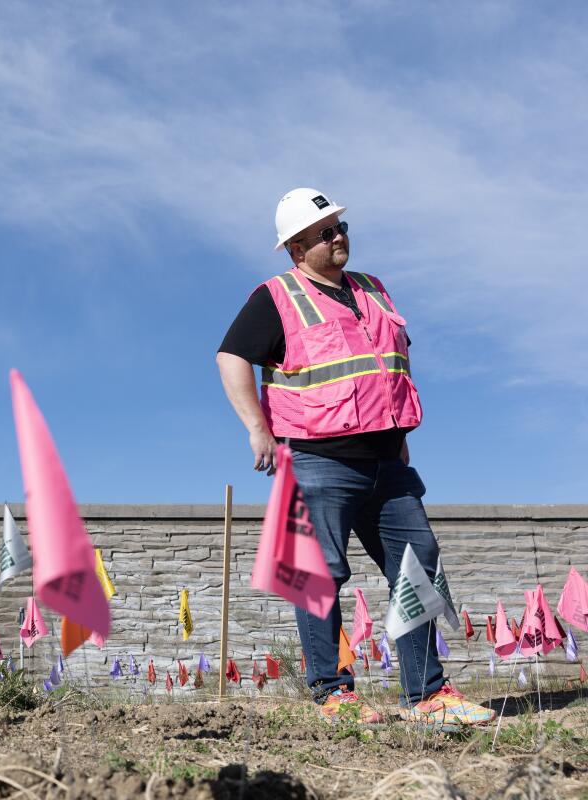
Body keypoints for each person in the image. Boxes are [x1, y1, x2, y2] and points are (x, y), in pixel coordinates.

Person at [215, 188, 495, 730]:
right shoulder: (277, 296)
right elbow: (231, 356)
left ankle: (427, 695)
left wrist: (401, 443)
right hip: (318, 461)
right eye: (324, 232)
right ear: (297, 247)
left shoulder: (374, 290)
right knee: (320, 575)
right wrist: (258, 429)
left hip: (388, 462)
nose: (338, 236)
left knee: (418, 566)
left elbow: (386, 373)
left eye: (341, 226)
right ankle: (332, 693)